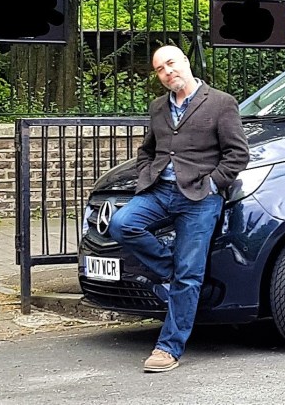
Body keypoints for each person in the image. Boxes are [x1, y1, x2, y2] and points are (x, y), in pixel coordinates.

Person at [108, 45, 249, 372]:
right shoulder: (159, 107)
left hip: (200, 196)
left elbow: (237, 155)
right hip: (160, 191)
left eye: (170, 63)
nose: (167, 71)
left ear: (185, 62)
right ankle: (173, 272)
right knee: (122, 224)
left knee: (190, 272)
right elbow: (148, 150)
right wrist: (147, 175)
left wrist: (213, 184)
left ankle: (168, 348)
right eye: (159, 69)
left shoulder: (221, 102)